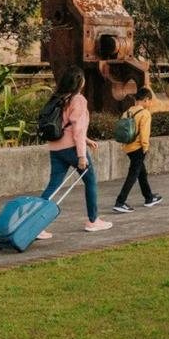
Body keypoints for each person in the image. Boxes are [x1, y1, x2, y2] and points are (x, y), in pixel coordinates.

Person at [38, 66, 111, 238]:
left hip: (56, 149)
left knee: (53, 187)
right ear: (80, 82)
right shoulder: (78, 100)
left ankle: (36, 225)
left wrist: (87, 140)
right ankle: (93, 221)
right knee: (91, 181)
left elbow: (65, 126)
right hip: (72, 149)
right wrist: (81, 155)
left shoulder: (58, 98)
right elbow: (77, 130)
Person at [112, 87, 163, 212]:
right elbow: (144, 134)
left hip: (128, 147)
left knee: (141, 173)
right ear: (146, 100)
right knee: (133, 174)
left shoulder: (128, 111)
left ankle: (149, 197)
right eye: (150, 101)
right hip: (138, 148)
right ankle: (120, 202)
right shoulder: (145, 114)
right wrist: (145, 147)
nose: (150, 104)